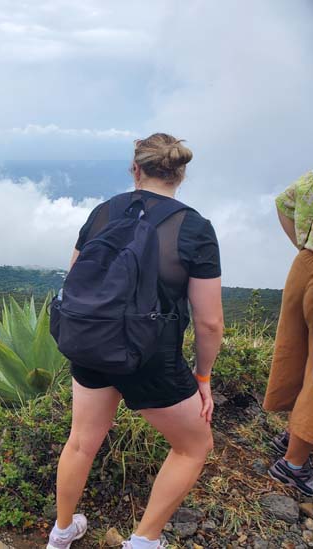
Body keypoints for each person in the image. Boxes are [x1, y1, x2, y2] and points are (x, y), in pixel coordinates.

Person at [46, 133, 224, 549]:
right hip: (150, 356)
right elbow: (210, 322)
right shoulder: (194, 228)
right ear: (180, 175)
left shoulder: (103, 213)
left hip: (92, 343)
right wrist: (203, 377)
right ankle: (144, 541)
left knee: (80, 442)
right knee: (193, 447)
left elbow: (75, 281)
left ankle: (62, 532)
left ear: (136, 169)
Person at [263, 170, 313, 495]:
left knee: (297, 354)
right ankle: (294, 465)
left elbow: (284, 202)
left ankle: (293, 435)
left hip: (305, 263)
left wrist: (303, 246)